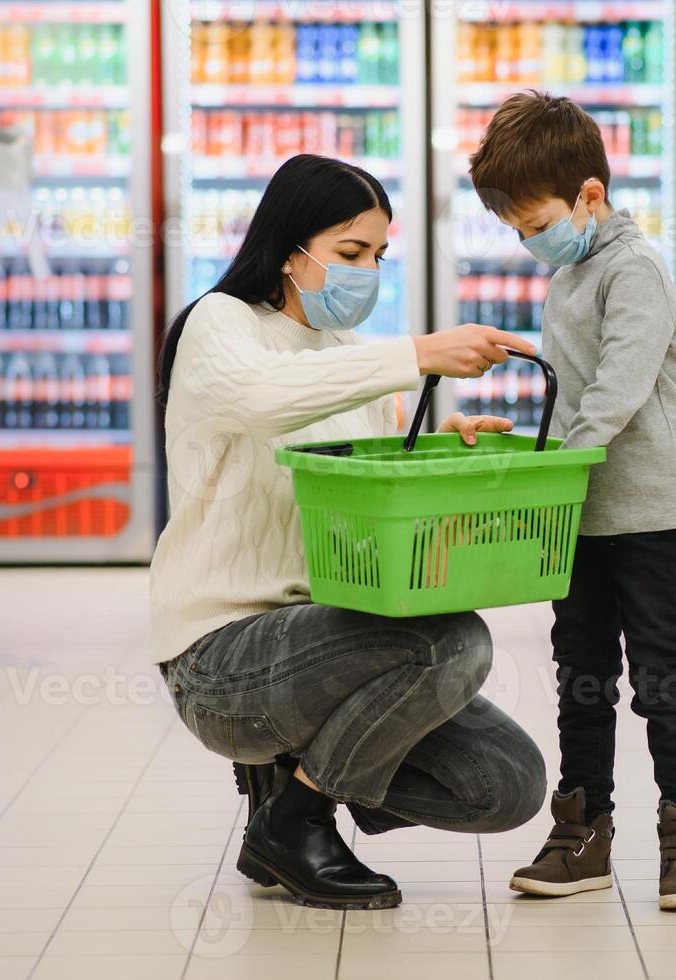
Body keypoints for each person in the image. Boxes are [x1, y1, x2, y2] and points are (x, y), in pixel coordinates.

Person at [151, 154, 546, 911]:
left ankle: (295, 777)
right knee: (452, 641)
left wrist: (443, 452)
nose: (369, 272)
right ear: (293, 247)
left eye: (379, 256)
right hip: (222, 655)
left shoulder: (354, 363)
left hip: (329, 642)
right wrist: (418, 355)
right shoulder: (221, 325)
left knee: (508, 784)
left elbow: (363, 512)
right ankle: (295, 822)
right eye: (352, 253)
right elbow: (268, 401)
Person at [468, 92, 676, 909]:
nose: (529, 240)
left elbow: (616, 390)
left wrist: (560, 462)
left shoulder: (634, 267)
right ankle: (582, 834)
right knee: (581, 677)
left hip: (645, 515)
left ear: (590, 195)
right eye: (516, 229)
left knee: (662, 680)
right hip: (579, 513)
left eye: (534, 221)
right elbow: (575, 387)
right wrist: (528, 432)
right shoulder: (572, 271)